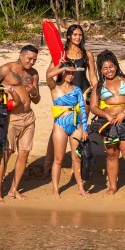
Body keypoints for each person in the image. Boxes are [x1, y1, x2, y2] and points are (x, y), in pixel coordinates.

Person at [0, 45, 41, 201]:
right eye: (29, 58)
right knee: (6, 154)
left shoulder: (34, 74)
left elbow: (37, 99)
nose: (32, 62)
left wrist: (33, 90)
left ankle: (14, 189)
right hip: (11, 119)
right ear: (20, 55)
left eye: (35, 59)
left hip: (29, 118)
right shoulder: (6, 69)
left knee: (24, 153)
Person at [89, 50, 125, 199]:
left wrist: (124, 113)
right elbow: (94, 107)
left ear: (116, 65)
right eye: (105, 68)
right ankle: (113, 186)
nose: (109, 70)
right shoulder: (99, 86)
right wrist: (106, 115)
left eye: (111, 67)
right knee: (112, 154)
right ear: (101, 70)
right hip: (107, 123)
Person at [44, 25, 97, 176]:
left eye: (80, 35)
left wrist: (95, 90)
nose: (78, 37)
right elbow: (49, 74)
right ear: (68, 36)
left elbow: (92, 75)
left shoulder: (87, 54)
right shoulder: (62, 54)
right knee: (57, 128)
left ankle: (77, 167)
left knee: (79, 127)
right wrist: (60, 64)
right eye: (74, 34)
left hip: (83, 93)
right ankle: (48, 163)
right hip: (65, 94)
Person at [46, 60, 89, 199]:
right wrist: (61, 67)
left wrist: (85, 129)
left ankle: (80, 188)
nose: (71, 76)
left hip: (75, 124)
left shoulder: (76, 89)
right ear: (63, 73)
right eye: (68, 73)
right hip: (60, 125)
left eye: (73, 73)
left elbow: (82, 108)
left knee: (76, 158)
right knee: (58, 159)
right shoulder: (55, 87)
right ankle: (55, 189)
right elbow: (48, 76)